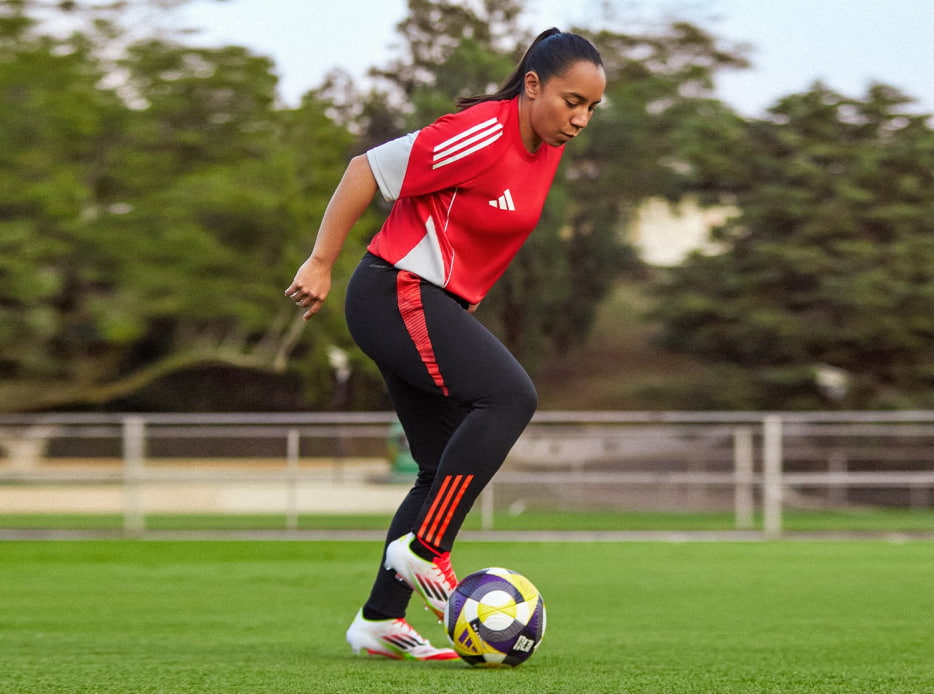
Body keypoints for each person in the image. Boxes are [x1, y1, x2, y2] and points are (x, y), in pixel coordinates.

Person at [286, 28, 605, 661]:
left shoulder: (546, 147)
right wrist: (321, 260)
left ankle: (378, 620)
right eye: (572, 100)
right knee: (509, 397)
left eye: (592, 108)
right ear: (533, 85)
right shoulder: (483, 130)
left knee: (437, 469)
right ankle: (426, 550)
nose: (581, 118)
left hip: (428, 303)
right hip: (396, 292)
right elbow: (365, 169)